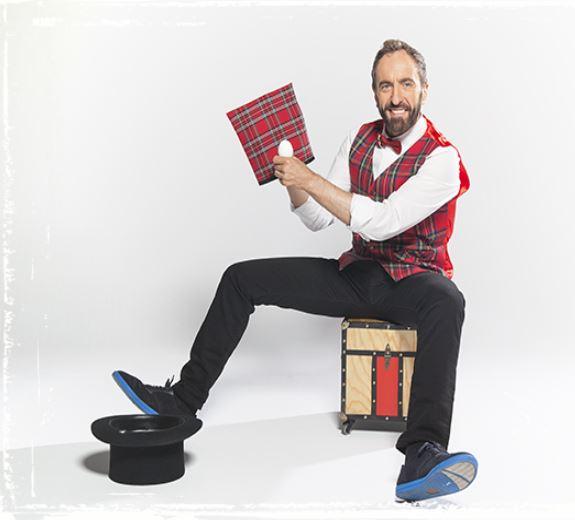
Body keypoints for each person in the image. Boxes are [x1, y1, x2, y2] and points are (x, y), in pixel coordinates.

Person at [113, 39, 477, 502]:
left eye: (406, 83)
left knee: (448, 301)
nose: (396, 96)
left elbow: (383, 222)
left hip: (415, 280)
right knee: (241, 279)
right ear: (374, 92)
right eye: (386, 86)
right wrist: (293, 181)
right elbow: (318, 218)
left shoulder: (444, 158)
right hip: (360, 273)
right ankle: (181, 401)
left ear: (424, 88)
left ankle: (422, 451)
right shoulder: (359, 139)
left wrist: (310, 179)